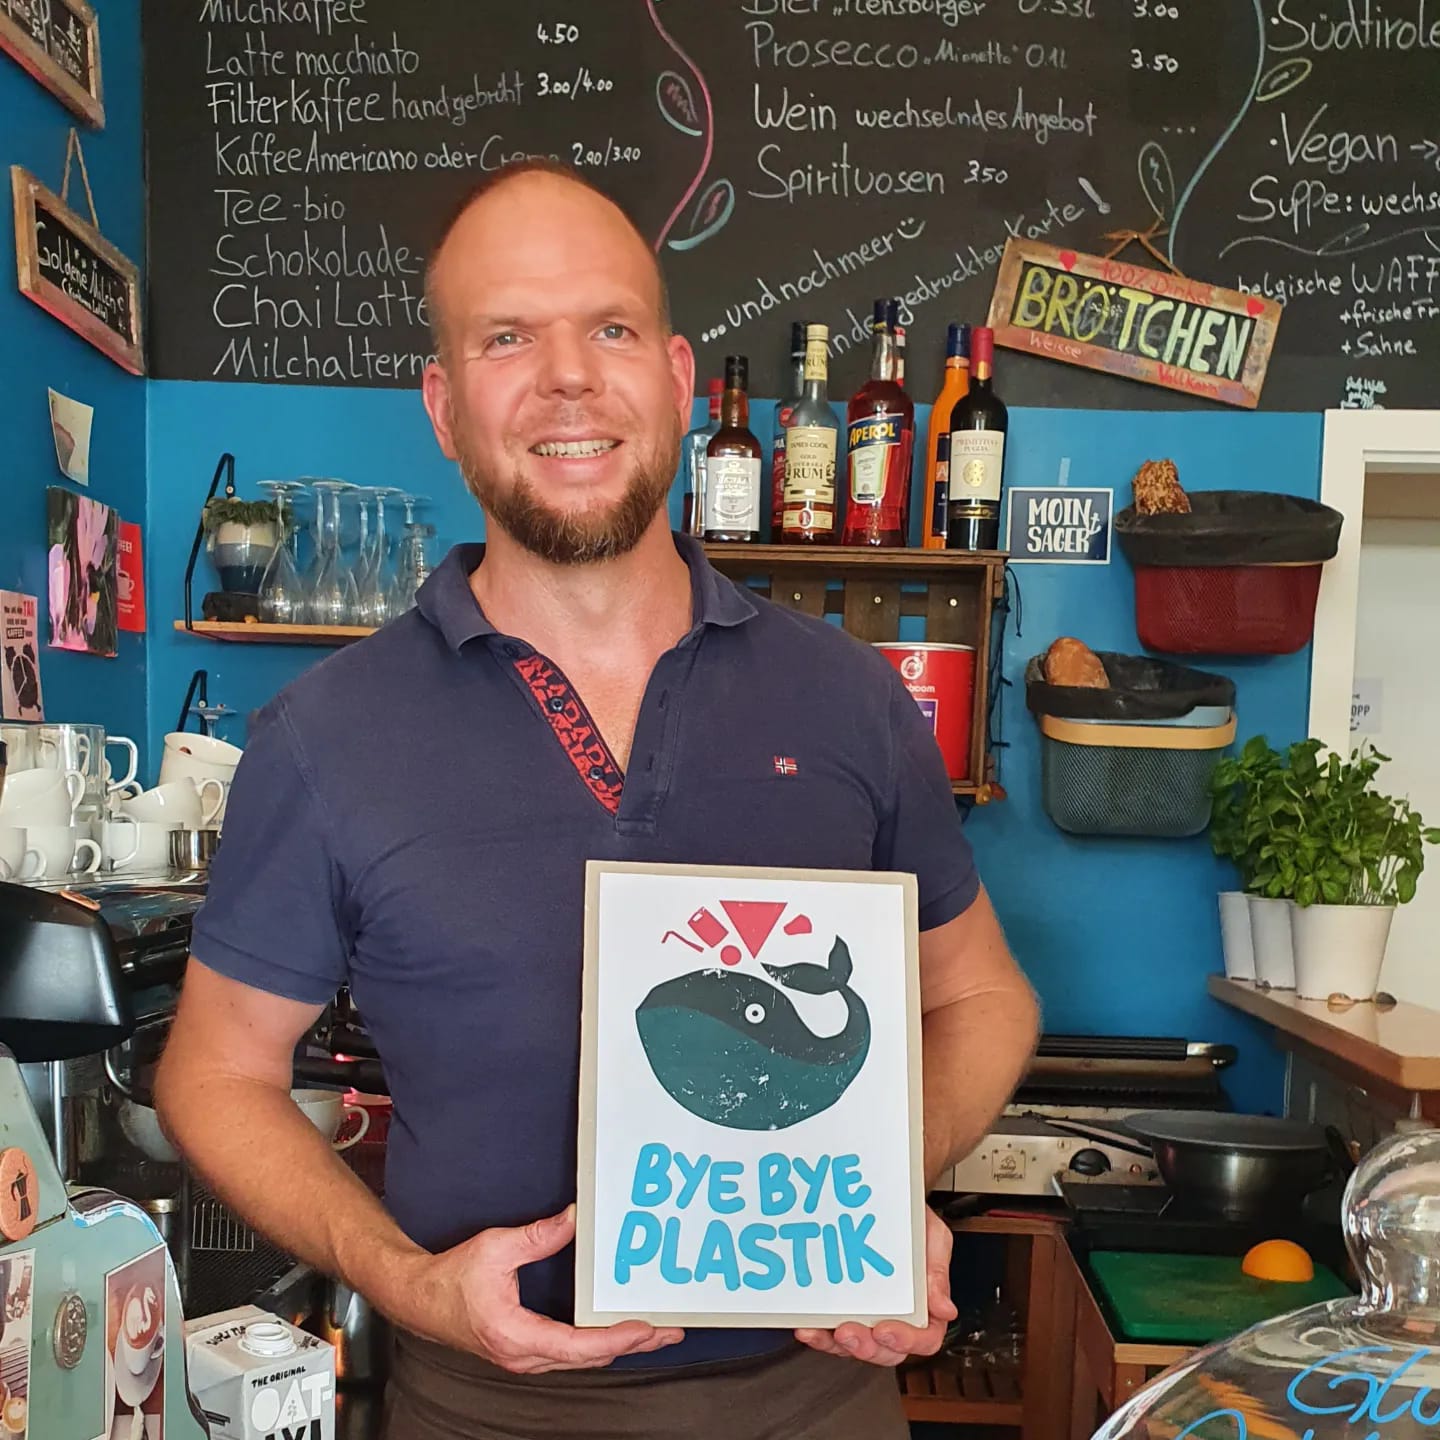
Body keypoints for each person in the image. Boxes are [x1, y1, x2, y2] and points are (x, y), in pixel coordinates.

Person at [155, 159, 1040, 1440]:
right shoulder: (327, 735)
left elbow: (983, 992)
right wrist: (406, 1280)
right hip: (485, 1409)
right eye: (508, 336)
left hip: (824, 1397)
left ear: (678, 380)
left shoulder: (850, 701)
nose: (569, 376)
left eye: (609, 328)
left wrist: (882, 1178)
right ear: (445, 404)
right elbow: (216, 1075)